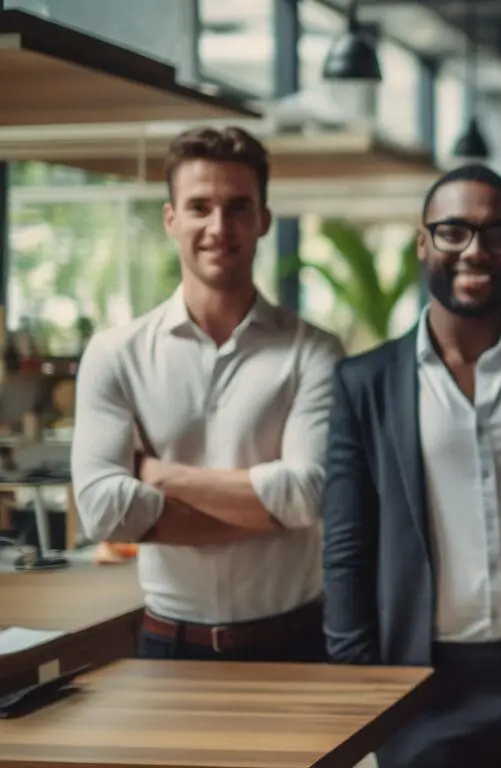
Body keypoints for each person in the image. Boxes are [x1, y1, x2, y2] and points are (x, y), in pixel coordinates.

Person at [320, 164, 501, 768]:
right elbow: (347, 545)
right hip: (424, 687)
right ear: (422, 242)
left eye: (497, 233)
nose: (475, 250)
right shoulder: (365, 384)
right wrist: (360, 682)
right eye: (453, 231)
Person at [71, 126, 344, 661]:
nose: (219, 227)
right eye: (200, 207)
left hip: (296, 642)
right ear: (171, 219)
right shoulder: (115, 354)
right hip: (169, 644)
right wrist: (268, 511)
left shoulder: (313, 351)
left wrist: (158, 476)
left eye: (238, 207)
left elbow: (310, 494)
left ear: (263, 219)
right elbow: (103, 512)